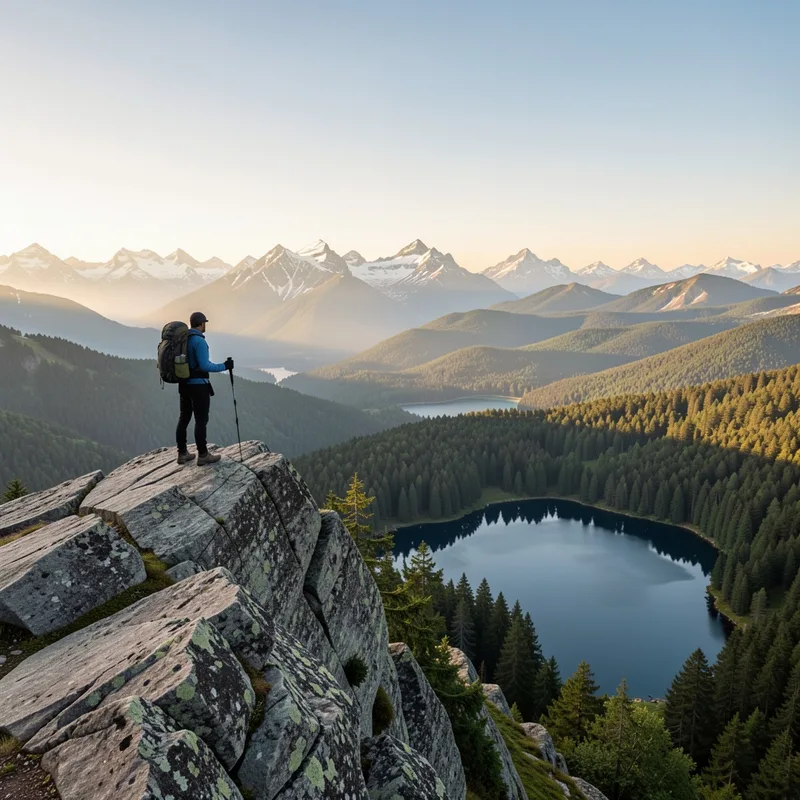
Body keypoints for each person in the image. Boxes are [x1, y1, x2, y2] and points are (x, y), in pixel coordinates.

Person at [176, 311, 233, 465]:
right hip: (199, 386)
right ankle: (203, 455)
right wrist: (225, 366)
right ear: (201, 324)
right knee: (201, 420)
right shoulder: (199, 341)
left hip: (184, 384)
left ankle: (182, 453)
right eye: (204, 323)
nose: (205, 325)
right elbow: (204, 365)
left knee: (184, 418)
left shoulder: (183, 339)